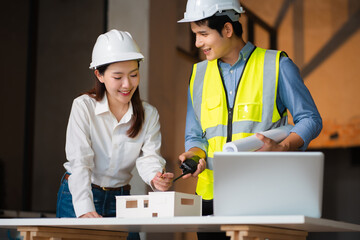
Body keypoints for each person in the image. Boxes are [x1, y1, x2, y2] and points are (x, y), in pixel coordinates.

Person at [177, 0, 322, 239]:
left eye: (203, 34)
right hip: (211, 199)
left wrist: (283, 146)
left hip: (263, 195)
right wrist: (194, 155)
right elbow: (195, 135)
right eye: (194, 34)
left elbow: (310, 119)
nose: (197, 43)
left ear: (227, 29)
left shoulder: (277, 65)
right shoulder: (198, 75)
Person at [56, 29, 174, 240]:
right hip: (78, 193)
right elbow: (80, 162)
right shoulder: (83, 107)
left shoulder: (149, 114)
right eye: (118, 77)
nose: (127, 84)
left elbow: (149, 158)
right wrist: (84, 208)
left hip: (121, 199)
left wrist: (157, 178)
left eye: (134, 74)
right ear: (99, 75)